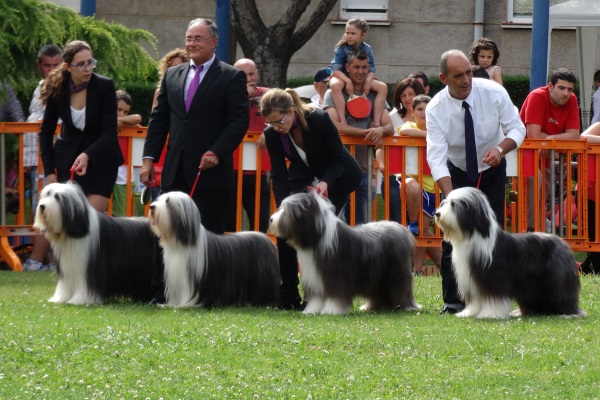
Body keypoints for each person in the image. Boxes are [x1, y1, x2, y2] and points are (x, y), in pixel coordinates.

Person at [141, 18, 248, 304]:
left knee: (209, 237)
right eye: (189, 38)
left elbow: (238, 122)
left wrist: (217, 151)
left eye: (198, 38)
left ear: (214, 42)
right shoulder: (172, 74)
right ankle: (161, 292)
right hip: (175, 170)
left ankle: (207, 294)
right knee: (165, 233)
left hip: (210, 172)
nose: (191, 44)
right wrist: (149, 158)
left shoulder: (230, 76)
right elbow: (159, 119)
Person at [426, 49, 525, 314]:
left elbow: (518, 128)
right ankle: (453, 301)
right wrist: (452, 197)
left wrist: (501, 149)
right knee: (452, 235)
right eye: (458, 76)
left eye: (468, 72)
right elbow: (435, 157)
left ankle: (494, 299)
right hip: (456, 171)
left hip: (492, 167)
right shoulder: (435, 109)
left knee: (492, 236)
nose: (466, 79)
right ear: (443, 78)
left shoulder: (494, 92)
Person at [261, 88, 362, 310]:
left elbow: (337, 159)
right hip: (303, 177)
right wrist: (282, 208)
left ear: (290, 111)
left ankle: (321, 293)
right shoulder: (272, 135)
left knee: (321, 234)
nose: (276, 128)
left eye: (278, 121)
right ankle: (287, 295)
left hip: (337, 177)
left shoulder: (319, 119)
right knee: (285, 230)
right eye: (271, 124)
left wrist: (325, 182)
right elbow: (278, 176)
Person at [39, 40, 123, 213]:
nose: (88, 69)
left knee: (90, 224)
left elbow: (109, 132)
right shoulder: (58, 88)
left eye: (90, 62)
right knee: (65, 224)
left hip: (101, 162)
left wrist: (87, 155)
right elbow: (46, 132)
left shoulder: (105, 86)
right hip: (67, 163)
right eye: (81, 64)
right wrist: (49, 172)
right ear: (68, 67)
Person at [325, 49, 394, 225]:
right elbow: (333, 125)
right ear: (347, 67)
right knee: (334, 226)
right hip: (337, 170)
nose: (361, 71)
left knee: (361, 227)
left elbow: (389, 127)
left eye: (364, 67)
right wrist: (365, 133)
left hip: (364, 171)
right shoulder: (334, 93)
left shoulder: (375, 93)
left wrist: (379, 130)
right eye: (356, 67)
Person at [519, 68, 580, 232]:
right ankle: (531, 229)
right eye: (561, 88)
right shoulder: (537, 96)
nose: (566, 93)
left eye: (569, 89)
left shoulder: (572, 99)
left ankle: (536, 227)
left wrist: (549, 140)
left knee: (544, 189)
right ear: (550, 86)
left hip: (546, 156)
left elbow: (575, 136)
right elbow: (533, 136)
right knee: (534, 181)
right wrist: (555, 141)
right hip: (525, 154)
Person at [22, 44, 62, 272]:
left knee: (53, 209)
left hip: (59, 159)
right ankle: (42, 260)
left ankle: (43, 261)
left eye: (56, 65)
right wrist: (29, 161)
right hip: (40, 160)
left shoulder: (67, 87)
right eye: (48, 65)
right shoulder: (40, 89)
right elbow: (33, 126)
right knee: (43, 208)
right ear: (40, 66)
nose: (52, 69)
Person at [224, 58, 271, 233]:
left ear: (257, 74)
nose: (249, 79)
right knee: (229, 223)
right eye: (243, 75)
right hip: (230, 168)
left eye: (252, 74)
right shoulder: (225, 95)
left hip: (258, 170)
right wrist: (241, 95)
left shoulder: (267, 94)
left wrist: (270, 130)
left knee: (260, 223)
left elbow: (287, 113)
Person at [398, 94, 441, 274]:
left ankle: (443, 267)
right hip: (414, 185)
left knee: (423, 232)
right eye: (419, 109)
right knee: (420, 231)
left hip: (433, 187)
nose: (423, 113)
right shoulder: (410, 125)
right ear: (412, 111)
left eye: (426, 109)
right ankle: (415, 270)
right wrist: (429, 136)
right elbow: (404, 132)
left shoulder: (438, 129)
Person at [375, 78, 425, 223]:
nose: (407, 99)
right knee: (397, 221)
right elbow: (381, 146)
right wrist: (383, 166)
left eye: (411, 94)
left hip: (423, 175)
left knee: (423, 225)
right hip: (394, 175)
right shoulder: (392, 117)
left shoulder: (427, 115)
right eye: (403, 95)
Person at [329, 18, 388, 127]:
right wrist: (347, 81)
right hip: (341, 76)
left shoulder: (367, 48)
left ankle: (376, 122)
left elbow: (372, 68)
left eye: (353, 33)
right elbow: (336, 69)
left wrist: (368, 81)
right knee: (336, 85)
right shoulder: (341, 48)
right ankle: (343, 120)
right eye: (347, 33)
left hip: (361, 78)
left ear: (362, 35)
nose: (349, 36)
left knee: (383, 87)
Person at [112, 90, 142, 217]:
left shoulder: (128, 125)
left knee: (120, 218)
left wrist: (116, 122)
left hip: (124, 178)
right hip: (114, 176)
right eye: (118, 109)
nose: (122, 114)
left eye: (125, 112)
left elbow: (138, 118)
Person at [580, 122, 600, 273]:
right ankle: (584, 269)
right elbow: (580, 138)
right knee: (594, 247)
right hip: (590, 195)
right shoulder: (599, 126)